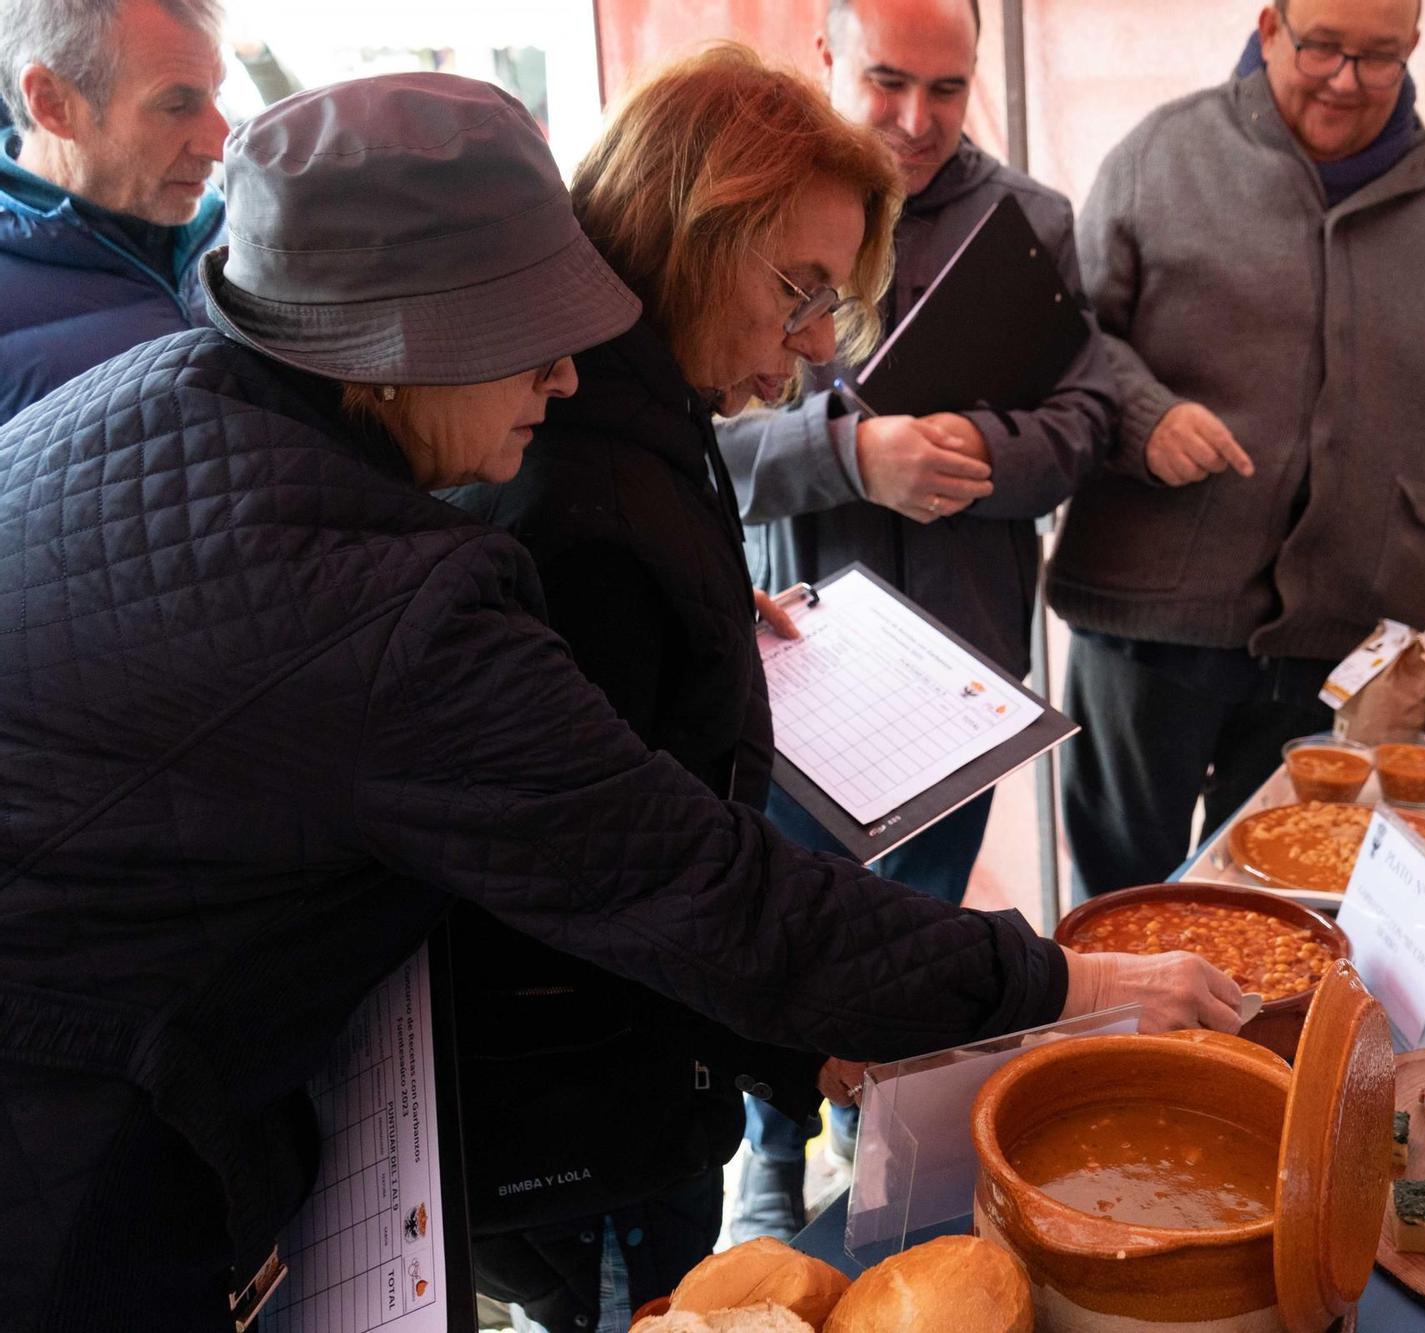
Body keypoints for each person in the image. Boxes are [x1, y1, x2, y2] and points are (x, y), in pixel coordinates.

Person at [0, 72, 1241, 1331]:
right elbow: (699, 889)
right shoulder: (398, 601)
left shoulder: (154, 392)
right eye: (529, 336)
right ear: (393, 352)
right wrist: (1064, 984)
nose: (563, 374)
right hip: (82, 1158)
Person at [440, 48, 904, 1328]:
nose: (813, 350)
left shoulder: (633, 406)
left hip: (634, 1068)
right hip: (587, 1104)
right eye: (799, 293)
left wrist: (702, 619)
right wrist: (799, 1037)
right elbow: (612, 890)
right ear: (688, 236)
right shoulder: (574, 490)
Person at [716, 0, 1116, 1240]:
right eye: (888, 82)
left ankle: (877, 1125)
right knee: (774, 912)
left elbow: (1089, 419)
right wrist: (852, 454)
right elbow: (696, 447)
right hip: (790, 650)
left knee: (921, 921)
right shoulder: (749, 214)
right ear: (825, 56)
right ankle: (772, 1144)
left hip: (959, 668)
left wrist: (977, 452)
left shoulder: (1031, 223)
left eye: (946, 91)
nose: (916, 120)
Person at [1047, 0, 1425, 896]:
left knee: (1292, 906)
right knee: (1127, 902)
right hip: (1147, 629)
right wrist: (1144, 416)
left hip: (1344, 640)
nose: (1346, 81)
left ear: (1415, 48)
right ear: (1271, 26)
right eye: (1322, 47)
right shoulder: (1159, 157)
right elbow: (1066, 339)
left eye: (1379, 59)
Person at [0, 0, 229, 425]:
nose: (220, 145)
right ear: (51, 103)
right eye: (177, 106)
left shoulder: (247, 228)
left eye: (218, 95)